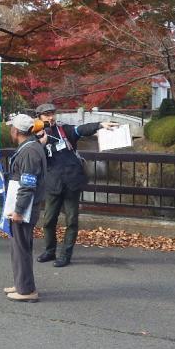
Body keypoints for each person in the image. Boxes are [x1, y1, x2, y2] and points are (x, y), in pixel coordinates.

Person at [34, 103, 118, 267]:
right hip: (53, 183)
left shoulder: (65, 130)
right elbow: (32, 156)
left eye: (52, 114)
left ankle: (65, 255)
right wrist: (41, 143)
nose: (50, 117)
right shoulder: (35, 136)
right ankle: (50, 251)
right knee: (49, 220)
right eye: (46, 115)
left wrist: (100, 125)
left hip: (72, 181)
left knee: (72, 220)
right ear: (39, 117)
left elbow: (82, 129)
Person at [2, 114, 47, 302]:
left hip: (25, 207)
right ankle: (22, 283)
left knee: (21, 247)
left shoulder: (29, 151)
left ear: (16, 131)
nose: (10, 130)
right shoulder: (32, 147)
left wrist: (19, 210)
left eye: (11, 128)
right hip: (25, 204)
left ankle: (27, 289)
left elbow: (28, 184)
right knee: (20, 246)